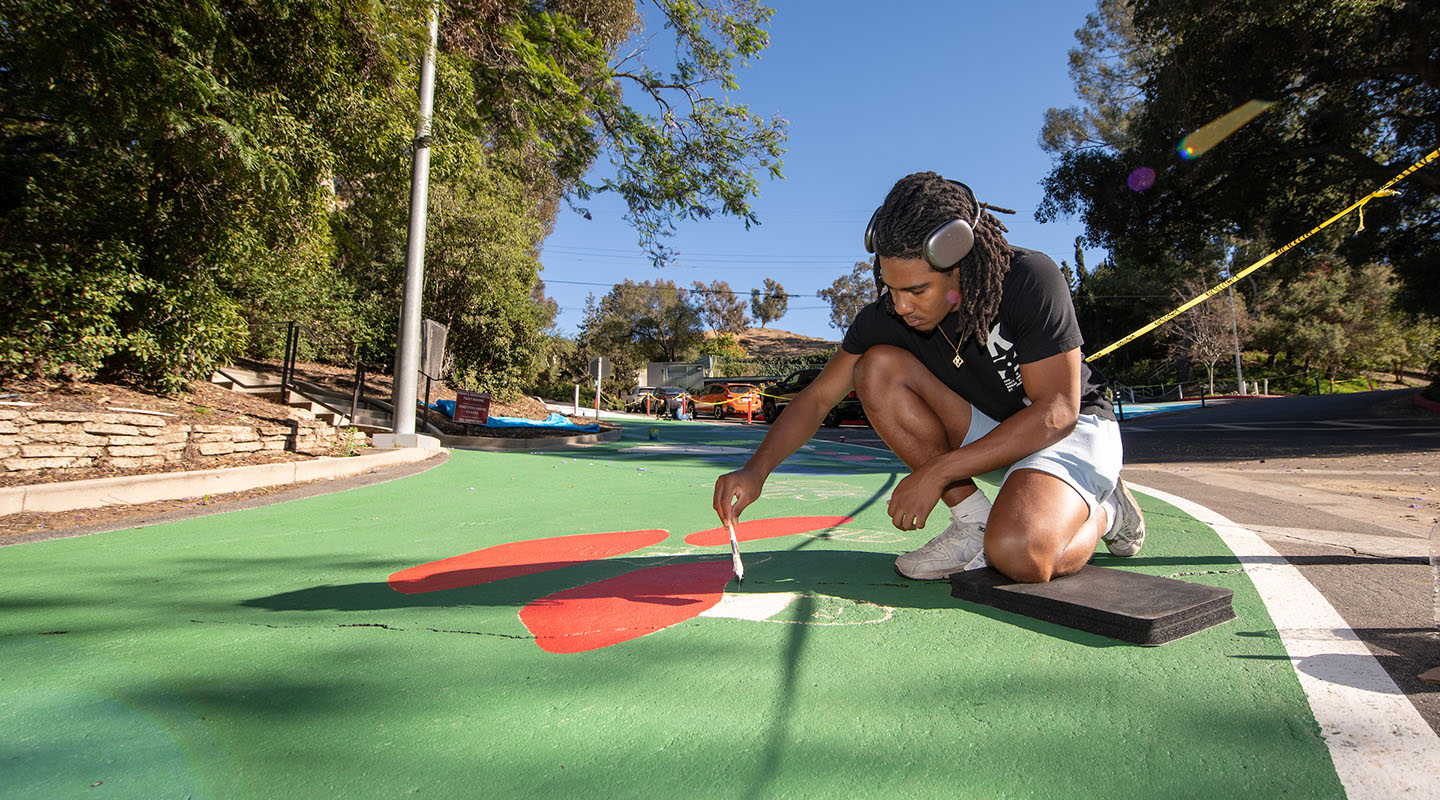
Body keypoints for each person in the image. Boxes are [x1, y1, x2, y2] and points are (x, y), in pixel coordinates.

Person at [712, 172, 1144, 583]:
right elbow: (818, 398)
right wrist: (756, 471)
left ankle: (1107, 511)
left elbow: (1058, 412)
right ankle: (973, 523)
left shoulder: (1028, 279)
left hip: (1070, 434)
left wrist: (938, 471)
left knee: (1018, 552)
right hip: (993, 438)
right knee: (876, 367)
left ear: (961, 264)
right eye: (891, 288)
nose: (901, 306)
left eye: (917, 290)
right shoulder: (888, 317)